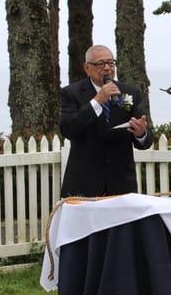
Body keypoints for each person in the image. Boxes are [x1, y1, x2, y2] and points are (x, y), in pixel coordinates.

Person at [60, 45, 153, 198]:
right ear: (87, 68)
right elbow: (68, 129)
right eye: (100, 64)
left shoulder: (130, 93)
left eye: (111, 63)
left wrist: (141, 133)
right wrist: (97, 101)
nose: (107, 68)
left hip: (121, 183)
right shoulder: (72, 93)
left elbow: (146, 141)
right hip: (84, 183)